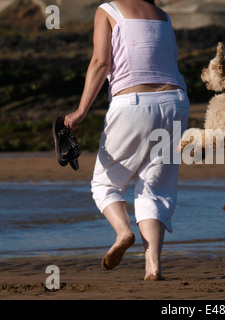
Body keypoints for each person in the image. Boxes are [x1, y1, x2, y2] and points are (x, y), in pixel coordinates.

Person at [64, 0, 189, 281]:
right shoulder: (163, 15)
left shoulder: (108, 10)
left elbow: (101, 61)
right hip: (176, 102)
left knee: (106, 184)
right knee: (156, 188)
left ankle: (123, 232)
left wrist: (82, 110)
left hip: (133, 104)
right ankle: (153, 268)